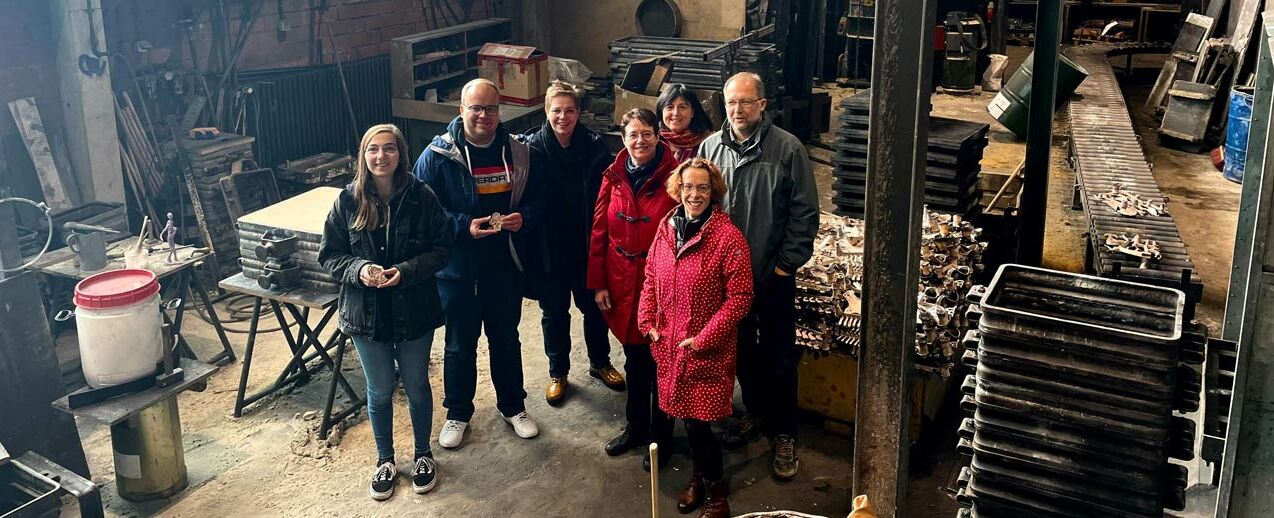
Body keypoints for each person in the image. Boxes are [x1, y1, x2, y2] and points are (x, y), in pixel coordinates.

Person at [319, 123, 451, 501]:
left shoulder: (421, 197)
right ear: (364, 155)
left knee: (417, 386)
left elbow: (442, 249)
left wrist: (405, 272)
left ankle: (423, 454)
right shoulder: (348, 200)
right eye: (373, 149)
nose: (381, 156)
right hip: (366, 314)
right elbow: (329, 254)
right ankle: (385, 460)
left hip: (414, 310)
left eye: (389, 149)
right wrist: (360, 270)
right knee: (377, 391)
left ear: (401, 154)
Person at [697, 72, 819, 480]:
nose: (738, 110)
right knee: (743, 353)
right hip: (728, 284)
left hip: (772, 276)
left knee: (780, 358)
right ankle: (755, 413)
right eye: (732, 103)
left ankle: (784, 432)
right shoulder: (710, 148)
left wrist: (786, 265)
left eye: (746, 102)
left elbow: (805, 212)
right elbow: (698, 209)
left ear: (763, 105)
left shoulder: (787, 149)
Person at [412, 78, 543, 449]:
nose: (483, 115)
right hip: (457, 271)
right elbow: (422, 215)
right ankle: (457, 413)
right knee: (458, 344)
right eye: (476, 108)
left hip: (504, 266)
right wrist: (461, 226)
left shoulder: (518, 152)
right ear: (462, 110)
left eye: (490, 108)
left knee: (506, 339)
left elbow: (538, 201)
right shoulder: (436, 156)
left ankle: (513, 406)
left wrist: (523, 218)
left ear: (499, 111)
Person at [638, 157, 753, 518]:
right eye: (688, 186)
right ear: (678, 188)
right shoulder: (667, 227)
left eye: (703, 187)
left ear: (714, 191)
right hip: (669, 345)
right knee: (688, 419)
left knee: (699, 425)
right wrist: (647, 320)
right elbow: (651, 276)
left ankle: (718, 497)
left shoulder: (727, 237)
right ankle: (699, 479)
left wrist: (703, 339)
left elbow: (741, 298)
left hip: (705, 350)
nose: (694, 194)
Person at [589, 107, 680, 470]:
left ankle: (662, 437)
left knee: (661, 364)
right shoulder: (613, 175)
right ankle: (636, 426)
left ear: (658, 135)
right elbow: (598, 230)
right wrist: (598, 283)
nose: (639, 141)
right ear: (622, 139)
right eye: (632, 134)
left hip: (660, 284)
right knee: (634, 360)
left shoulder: (676, 178)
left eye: (646, 133)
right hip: (621, 279)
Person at [525, 80, 625, 406]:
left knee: (594, 308)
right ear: (547, 111)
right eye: (557, 111)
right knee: (554, 313)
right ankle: (558, 372)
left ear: (579, 112)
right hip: (549, 249)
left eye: (570, 110)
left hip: (586, 246)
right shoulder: (532, 149)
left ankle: (600, 362)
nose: (563, 117)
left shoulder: (593, 146)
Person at [656, 84, 714, 163]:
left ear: (693, 112)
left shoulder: (710, 143)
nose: (676, 113)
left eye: (682, 107)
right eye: (670, 107)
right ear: (661, 111)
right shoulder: (653, 140)